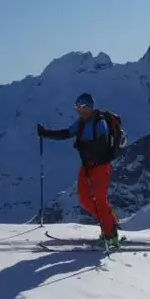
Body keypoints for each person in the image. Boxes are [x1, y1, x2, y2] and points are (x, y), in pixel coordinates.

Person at [37, 93, 121, 249]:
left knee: (100, 201)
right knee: (85, 200)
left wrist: (84, 146)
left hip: (101, 167)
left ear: (89, 107)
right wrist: (45, 133)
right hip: (87, 167)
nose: (78, 110)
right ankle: (110, 223)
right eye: (76, 107)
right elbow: (66, 133)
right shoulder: (82, 123)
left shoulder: (99, 122)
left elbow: (102, 145)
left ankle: (111, 238)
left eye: (81, 107)